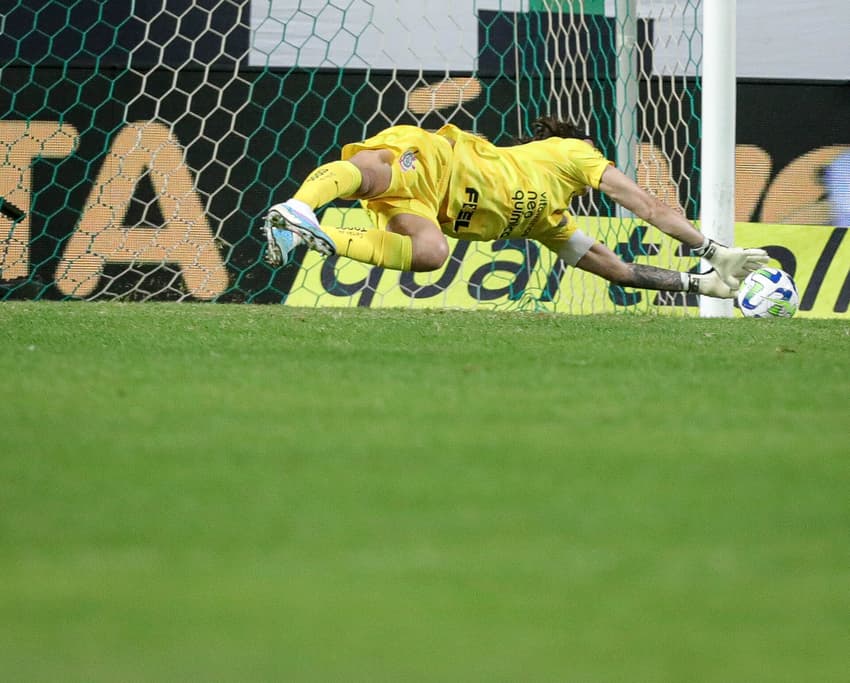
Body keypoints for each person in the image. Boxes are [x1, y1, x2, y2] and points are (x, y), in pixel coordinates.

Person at [261, 117, 768, 298]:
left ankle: (320, 237)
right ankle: (299, 207)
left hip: (424, 206)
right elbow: (648, 205)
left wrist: (699, 283)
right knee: (376, 171)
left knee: (432, 253)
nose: (607, 169)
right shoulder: (573, 154)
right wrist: (711, 248)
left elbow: (617, 271)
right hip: (442, 162)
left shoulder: (552, 223)